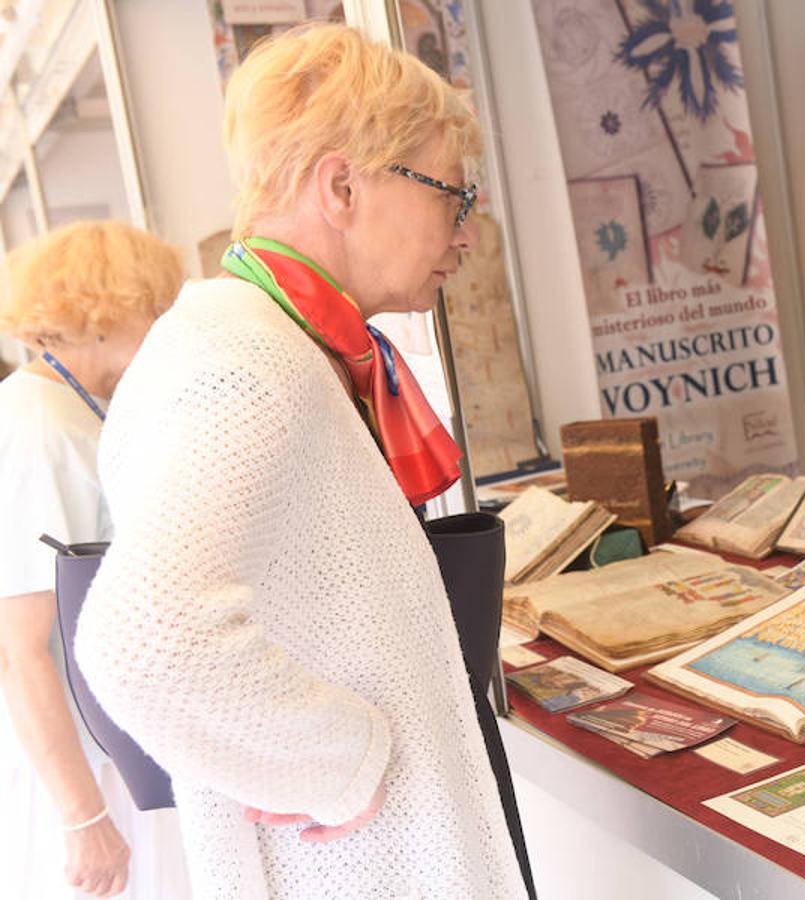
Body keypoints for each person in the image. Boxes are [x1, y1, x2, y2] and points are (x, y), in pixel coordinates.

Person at [75, 24, 529, 899]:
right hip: (361, 864)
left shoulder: (278, 342)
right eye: (451, 197)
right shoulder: (247, 359)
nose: (466, 236)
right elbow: (144, 637)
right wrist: (337, 762)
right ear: (344, 185)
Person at [0, 220, 191, 898]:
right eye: (154, 311)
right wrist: (85, 817)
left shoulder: (71, 413)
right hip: (89, 775)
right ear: (104, 315)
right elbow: (18, 649)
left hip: (111, 754)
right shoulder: (42, 430)